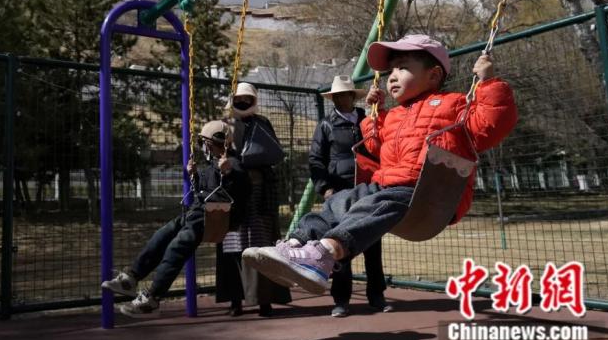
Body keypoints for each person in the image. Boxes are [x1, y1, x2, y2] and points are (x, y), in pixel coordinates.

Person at [242, 34, 518, 295]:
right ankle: (295, 244)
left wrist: (488, 83)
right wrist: (374, 116)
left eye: (402, 68)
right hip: (385, 185)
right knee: (340, 201)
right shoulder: (394, 115)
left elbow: (490, 126)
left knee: (377, 204)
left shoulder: (454, 104)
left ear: (433, 75)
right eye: (391, 71)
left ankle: (325, 253)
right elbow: (374, 147)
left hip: (426, 193)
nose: (392, 76)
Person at [101, 120, 249, 317]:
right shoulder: (212, 164)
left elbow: (243, 188)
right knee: (163, 234)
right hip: (198, 214)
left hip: (216, 218)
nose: (203, 148)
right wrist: (195, 176)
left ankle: (152, 299)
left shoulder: (234, 164)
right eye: (202, 143)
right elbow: (205, 189)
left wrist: (229, 172)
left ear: (219, 142)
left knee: (176, 248)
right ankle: (131, 277)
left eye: (206, 143)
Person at [309, 75, 389, 317]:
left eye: (344, 94)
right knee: (340, 244)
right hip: (339, 192)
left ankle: (377, 296)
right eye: (336, 96)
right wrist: (325, 188)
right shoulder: (325, 125)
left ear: (353, 96)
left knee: (372, 243)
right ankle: (341, 300)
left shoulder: (367, 119)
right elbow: (315, 160)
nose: (340, 99)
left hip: (368, 188)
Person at [215, 82, 291, 317]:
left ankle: (265, 300)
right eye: (239, 99)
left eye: (248, 98)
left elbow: (274, 151)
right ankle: (235, 300)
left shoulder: (263, 123)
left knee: (262, 246)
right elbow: (213, 152)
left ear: (254, 101)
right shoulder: (224, 124)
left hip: (260, 193)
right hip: (234, 192)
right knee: (233, 244)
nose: (244, 102)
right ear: (233, 100)